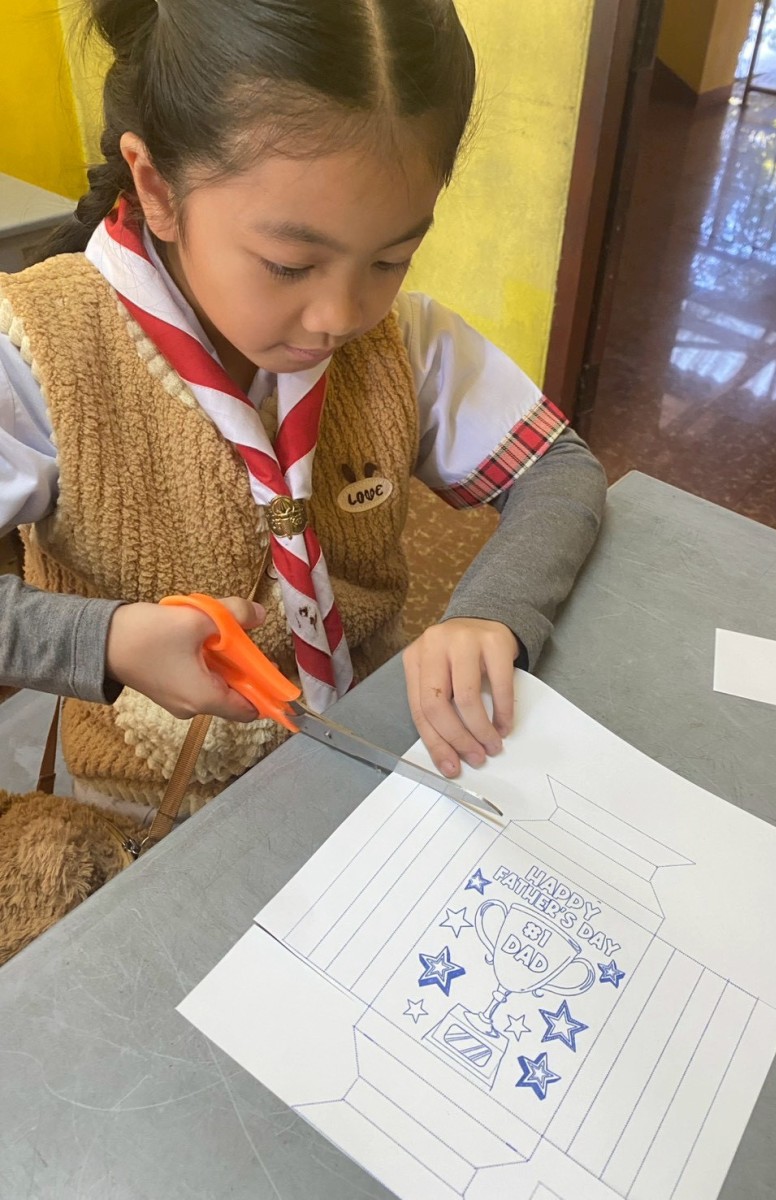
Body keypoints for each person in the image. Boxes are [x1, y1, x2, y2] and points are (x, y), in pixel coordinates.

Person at [0, 0, 605, 820]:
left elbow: (559, 469)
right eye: (290, 264)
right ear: (158, 187)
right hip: (152, 815)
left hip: (364, 765)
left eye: (392, 258)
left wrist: (493, 614)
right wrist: (105, 641)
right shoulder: (36, 354)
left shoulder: (403, 344)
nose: (340, 317)